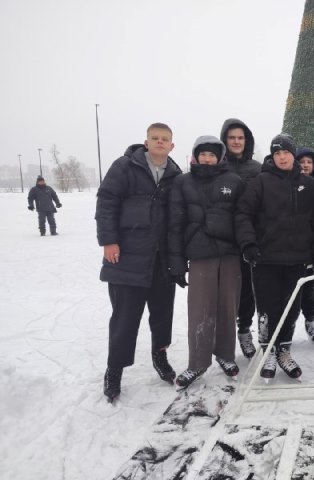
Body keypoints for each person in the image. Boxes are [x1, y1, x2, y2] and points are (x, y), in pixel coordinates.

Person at [95, 122, 182, 402]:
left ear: (172, 145)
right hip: (127, 257)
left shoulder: (176, 175)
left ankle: (160, 356)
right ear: (146, 142)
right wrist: (109, 240)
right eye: (155, 138)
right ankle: (114, 370)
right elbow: (106, 202)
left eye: (165, 139)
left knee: (162, 315)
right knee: (125, 318)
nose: (160, 142)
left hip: (161, 259)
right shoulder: (124, 167)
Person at [236, 134, 314, 380]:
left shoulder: (308, 184)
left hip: (296, 259)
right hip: (265, 259)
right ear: (272, 157)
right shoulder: (260, 182)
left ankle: (284, 350)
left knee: (291, 308)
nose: (282, 157)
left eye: (286, 152)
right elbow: (243, 214)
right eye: (277, 153)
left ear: (293, 155)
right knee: (267, 309)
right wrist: (248, 243)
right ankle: (268, 352)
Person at [168, 136, 244, 388]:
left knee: (228, 307)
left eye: (212, 155)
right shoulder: (183, 182)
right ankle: (197, 363)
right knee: (200, 310)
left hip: (230, 254)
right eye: (203, 154)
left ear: (220, 157)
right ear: (196, 156)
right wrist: (177, 262)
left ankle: (225, 355)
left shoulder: (234, 181)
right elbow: (175, 224)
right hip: (200, 254)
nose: (207, 159)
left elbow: (243, 218)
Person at [220, 118, 262, 359]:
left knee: (247, 290)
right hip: (223, 240)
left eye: (240, 138)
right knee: (225, 293)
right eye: (232, 137)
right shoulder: (218, 166)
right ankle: (223, 339)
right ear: (225, 140)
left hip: (248, 239)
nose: (236, 142)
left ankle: (244, 330)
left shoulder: (256, 169)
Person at [296, 147, 314, 343]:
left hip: (309, 246)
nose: (305, 165)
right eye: (302, 161)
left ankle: (311, 322)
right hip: (289, 247)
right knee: (289, 290)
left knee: (308, 288)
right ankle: (286, 326)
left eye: (309, 162)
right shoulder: (288, 183)